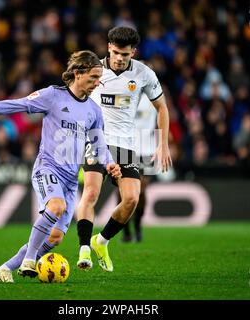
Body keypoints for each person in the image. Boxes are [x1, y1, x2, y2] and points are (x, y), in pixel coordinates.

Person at [0, 50, 122, 283]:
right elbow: (17, 105)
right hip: (48, 168)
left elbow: (98, 143)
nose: (97, 83)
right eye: (93, 77)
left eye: (99, 78)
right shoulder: (53, 96)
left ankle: (4, 269)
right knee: (55, 206)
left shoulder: (94, 111)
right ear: (77, 73)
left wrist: (110, 163)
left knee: (54, 237)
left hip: (70, 178)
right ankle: (29, 261)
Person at [76, 26, 172, 272]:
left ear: (133, 52)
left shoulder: (144, 73)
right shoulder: (93, 69)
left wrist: (163, 144)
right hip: (96, 140)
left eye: (125, 54)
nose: (120, 58)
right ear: (109, 46)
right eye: (116, 52)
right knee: (91, 193)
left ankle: (101, 241)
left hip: (127, 144)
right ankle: (84, 249)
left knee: (131, 199)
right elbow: (74, 96)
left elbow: (162, 108)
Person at [121, 93, 157, 243]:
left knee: (141, 191)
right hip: (126, 148)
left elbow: (164, 115)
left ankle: (137, 226)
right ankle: (126, 230)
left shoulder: (154, 97)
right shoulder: (124, 95)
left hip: (147, 150)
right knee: (123, 191)